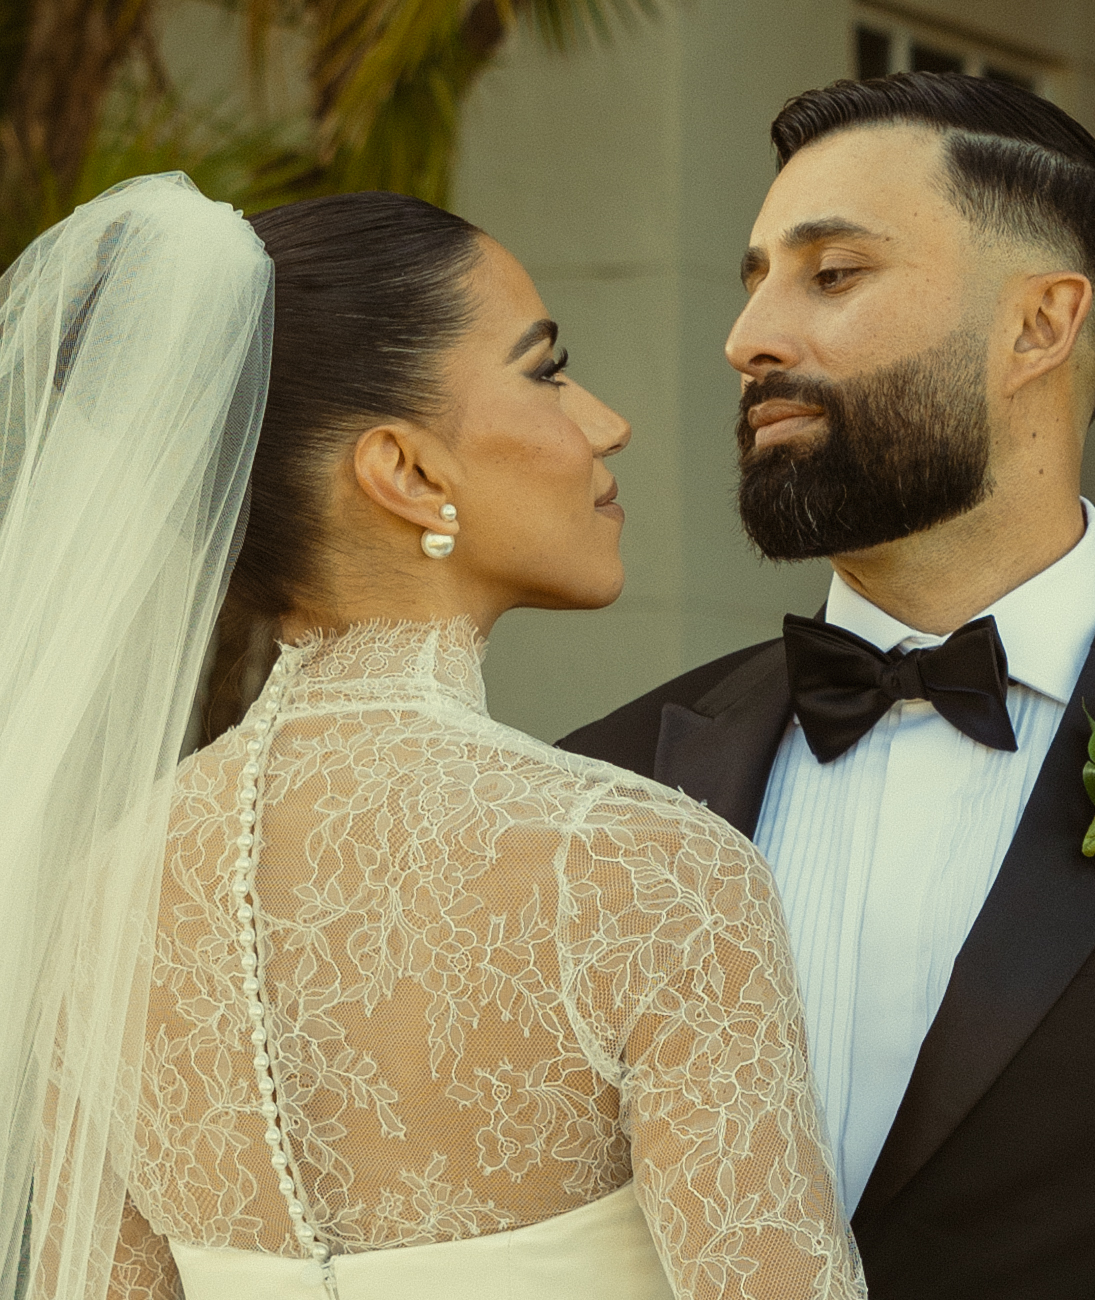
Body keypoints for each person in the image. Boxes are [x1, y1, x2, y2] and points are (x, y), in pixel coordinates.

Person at [0, 175, 864, 1300]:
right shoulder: (642, 872)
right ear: (405, 472)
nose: (607, 422)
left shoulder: (97, 900)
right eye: (546, 370)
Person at [561, 72, 1095, 1299]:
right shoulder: (606, 779)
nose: (747, 338)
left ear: (1037, 327)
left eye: (831, 273)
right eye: (753, 279)